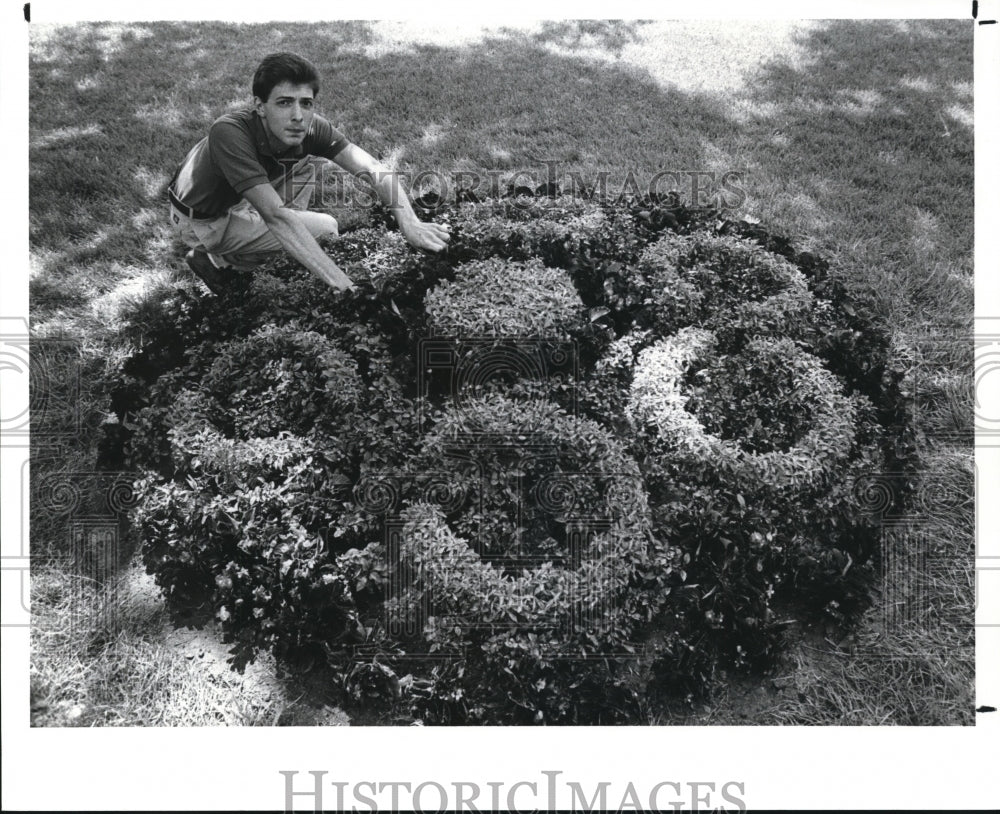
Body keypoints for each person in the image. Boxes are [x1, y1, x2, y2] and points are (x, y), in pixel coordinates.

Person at [167, 52, 450, 294]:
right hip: (205, 219)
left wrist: (410, 222)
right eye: (284, 102)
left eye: (306, 103)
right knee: (325, 228)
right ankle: (216, 261)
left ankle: (280, 238)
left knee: (306, 161)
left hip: (239, 193)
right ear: (258, 106)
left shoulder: (309, 128)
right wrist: (344, 285)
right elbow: (277, 217)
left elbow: (372, 168)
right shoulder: (228, 132)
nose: (298, 116)